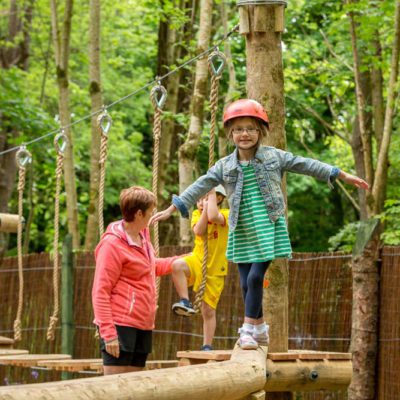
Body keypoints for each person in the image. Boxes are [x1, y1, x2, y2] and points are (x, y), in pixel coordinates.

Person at [150, 99, 369, 350]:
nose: (245, 134)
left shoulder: (273, 156)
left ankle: (247, 331)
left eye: (251, 128)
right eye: (239, 129)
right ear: (231, 133)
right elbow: (200, 184)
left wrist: (340, 174)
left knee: (255, 278)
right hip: (242, 229)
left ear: (261, 131)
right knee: (245, 283)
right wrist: (174, 207)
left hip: (267, 226)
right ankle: (261, 327)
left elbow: (306, 164)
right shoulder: (225, 165)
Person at [92, 186, 180, 375]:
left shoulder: (142, 237)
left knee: (136, 387)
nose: (152, 215)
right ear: (139, 213)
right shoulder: (112, 245)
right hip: (120, 325)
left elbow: (149, 267)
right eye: (151, 211)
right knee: (116, 389)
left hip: (143, 323)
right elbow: (100, 291)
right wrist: (108, 333)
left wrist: (180, 261)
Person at [171, 185, 229, 351]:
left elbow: (214, 216)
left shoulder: (226, 214)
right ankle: (185, 301)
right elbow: (199, 229)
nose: (200, 202)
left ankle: (207, 345)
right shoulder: (196, 214)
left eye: (205, 197)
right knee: (177, 266)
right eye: (198, 199)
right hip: (198, 260)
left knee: (208, 310)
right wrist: (203, 207)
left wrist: (208, 199)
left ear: (218, 198)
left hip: (216, 268)